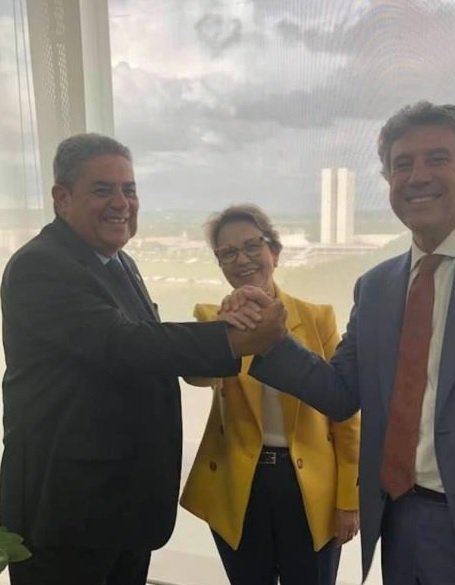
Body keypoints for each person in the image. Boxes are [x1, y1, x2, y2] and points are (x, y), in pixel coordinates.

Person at [228, 102, 455, 585]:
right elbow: (342, 393)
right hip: (402, 522)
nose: (417, 176)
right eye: (402, 164)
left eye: (437, 159)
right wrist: (273, 341)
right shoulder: (377, 286)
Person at [0, 134, 284, 585]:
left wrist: (227, 328)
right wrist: (234, 339)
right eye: (103, 190)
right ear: (62, 198)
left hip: (121, 508)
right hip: (67, 512)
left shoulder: (119, 263)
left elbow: (145, 349)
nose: (122, 203)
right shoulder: (41, 266)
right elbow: (123, 343)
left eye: (129, 189)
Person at [180, 204, 360, 585]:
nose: (242, 259)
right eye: (228, 253)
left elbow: (345, 413)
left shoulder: (317, 317)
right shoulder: (212, 318)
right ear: (220, 264)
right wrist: (225, 334)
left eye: (251, 246)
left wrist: (349, 498)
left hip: (311, 487)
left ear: (274, 252)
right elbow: (197, 376)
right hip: (239, 486)